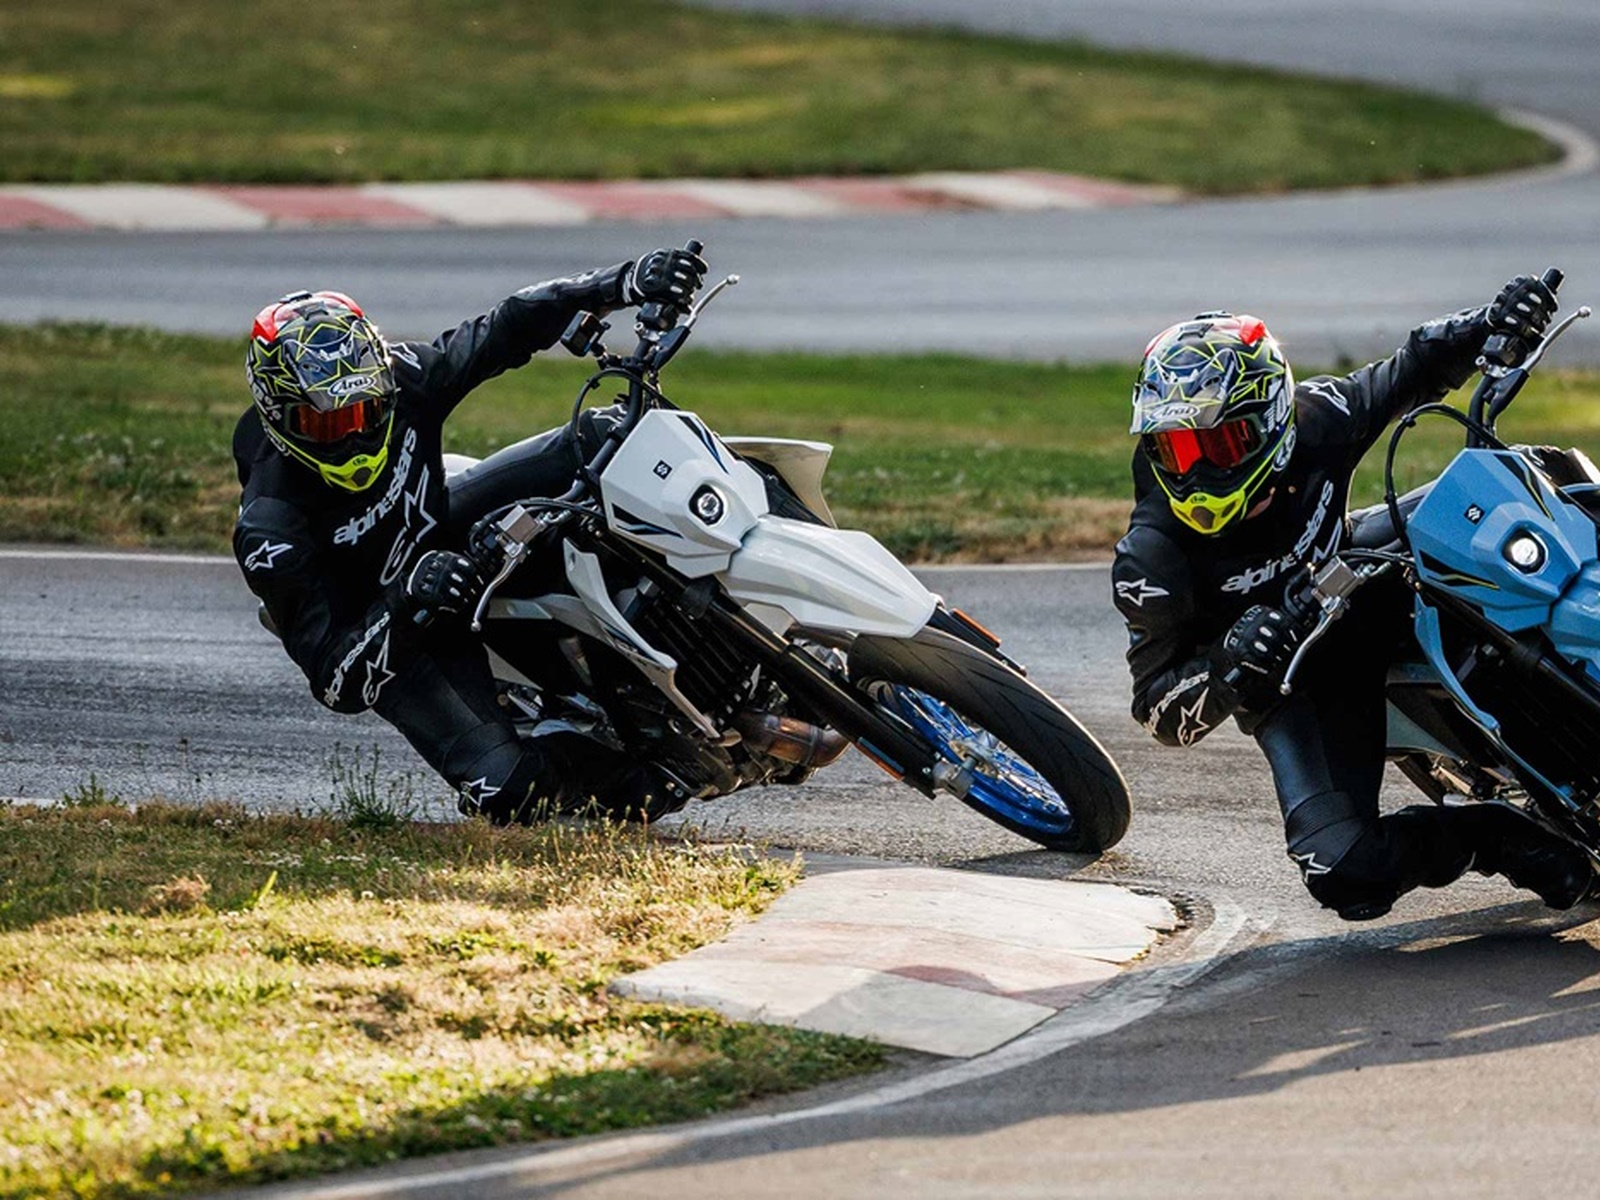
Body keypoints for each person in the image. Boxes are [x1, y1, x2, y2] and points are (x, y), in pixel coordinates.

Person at [1112, 275, 1596, 920]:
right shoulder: (1152, 558)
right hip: (1296, 680)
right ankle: (1497, 835)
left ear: (1271, 420)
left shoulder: (1319, 418)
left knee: (1533, 474)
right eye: (1174, 448)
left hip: (1366, 570)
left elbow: (1414, 367)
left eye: (1218, 444)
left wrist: (1494, 320)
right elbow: (1158, 713)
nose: (1195, 471)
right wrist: (1229, 667)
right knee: (1344, 870)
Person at [233, 247, 707, 825]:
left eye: (364, 410)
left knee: (603, 435)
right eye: (326, 422)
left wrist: (621, 281)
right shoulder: (270, 530)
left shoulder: (405, 377)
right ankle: (650, 769)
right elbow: (336, 683)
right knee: (510, 792)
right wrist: (407, 599)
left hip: (445, 528)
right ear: (278, 415)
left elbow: (505, 326)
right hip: (402, 630)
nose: (353, 435)